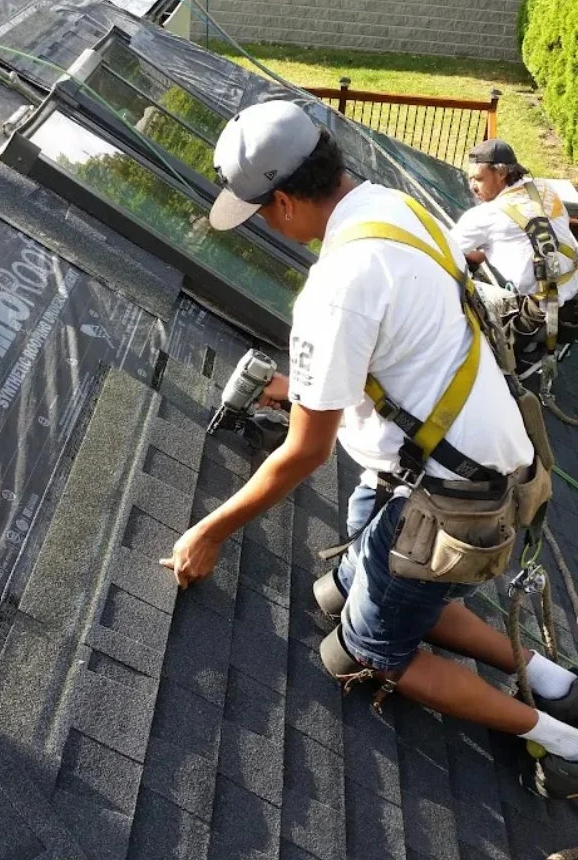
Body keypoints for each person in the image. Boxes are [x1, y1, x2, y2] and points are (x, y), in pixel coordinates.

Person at [160, 101, 578, 799]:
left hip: (448, 499)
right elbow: (401, 354)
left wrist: (208, 533)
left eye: (263, 212)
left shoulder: (336, 288)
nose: (269, 224)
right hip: (477, 461)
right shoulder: (392, 205)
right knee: (376, 586)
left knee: (372, 650)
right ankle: (556, 679)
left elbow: (303, 456)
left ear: (286, 200)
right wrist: (299, 389)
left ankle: (559, 738)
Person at [453, 139, 578, 373]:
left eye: (478, 179)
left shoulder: (485, 216)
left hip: (540, 312)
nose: (472, 186)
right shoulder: (543, 188)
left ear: (501, 173)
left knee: (480, 346)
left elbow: (447, 251)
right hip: (573, 297)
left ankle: (513, 364)